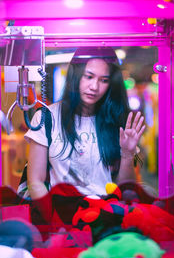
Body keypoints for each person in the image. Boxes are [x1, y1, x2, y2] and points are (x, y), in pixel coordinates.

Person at [25, 47, 145, 200]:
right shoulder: (46, 118)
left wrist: (128, 153)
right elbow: (35, 181)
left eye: (104, 80)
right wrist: (53, 218)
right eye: (88, 77)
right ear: (76, 75)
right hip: (63, 214)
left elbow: (126, 190)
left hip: (106, 214)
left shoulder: (117, 121)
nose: (94, 87)